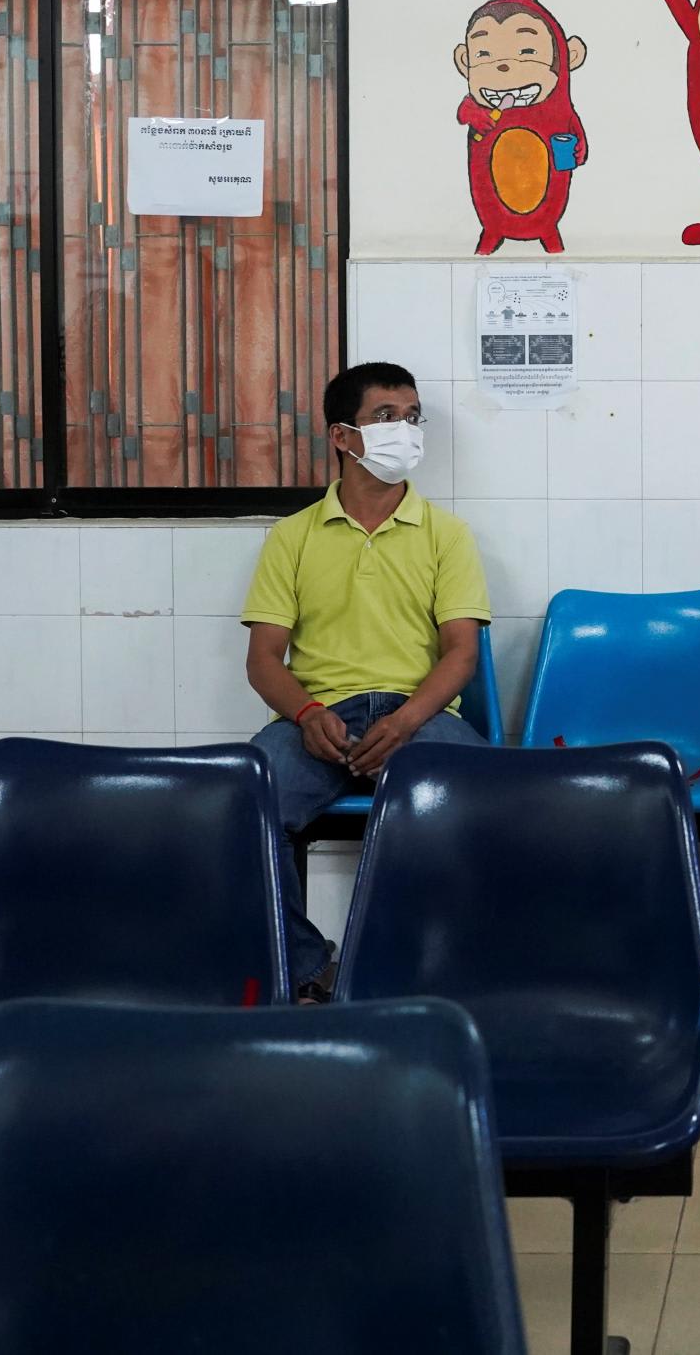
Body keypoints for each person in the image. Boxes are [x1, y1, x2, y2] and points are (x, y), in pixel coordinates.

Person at [242, 362, 491, 1000]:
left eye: (412, 417)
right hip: (318, 719)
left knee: (488, 804)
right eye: (386, 417)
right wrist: (307, 714)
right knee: (243, 810)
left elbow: (461, 654)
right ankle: (308, 970)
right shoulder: (292, 537)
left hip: (420, 716)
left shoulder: (447, 535)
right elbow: (264, 658)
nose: (405, 430)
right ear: (342, 436)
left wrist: (405, 722)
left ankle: (434, 969)